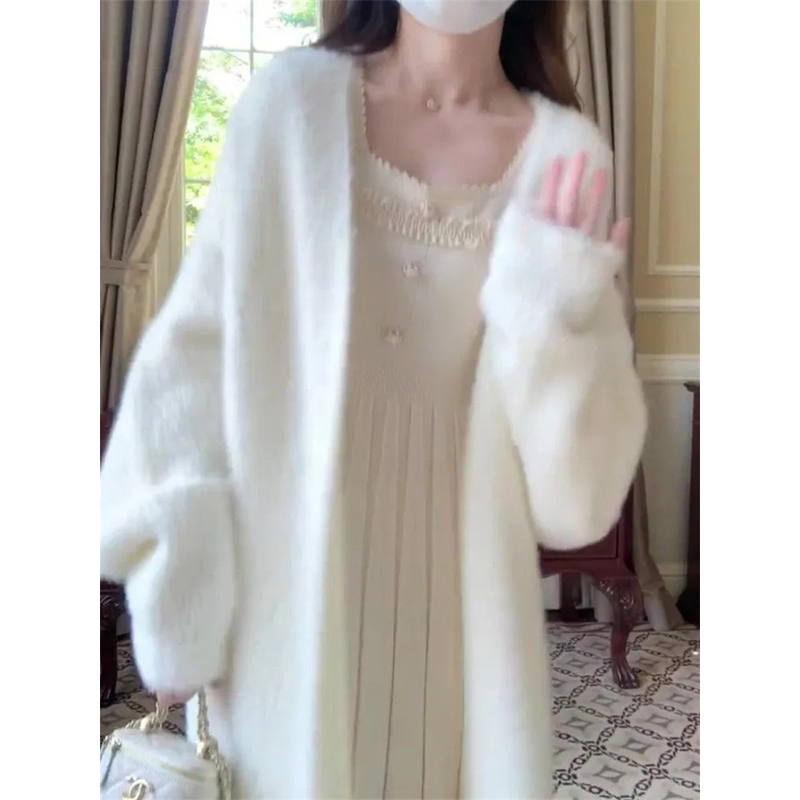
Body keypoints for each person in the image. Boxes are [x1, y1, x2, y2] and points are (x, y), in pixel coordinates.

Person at [99, 0, 647, 797]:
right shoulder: (289, 108)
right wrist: (179, 588)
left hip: (462, 626)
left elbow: (576, 504)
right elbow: (190, 369)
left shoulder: (568, 157)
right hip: (285, 602)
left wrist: (553, 318)